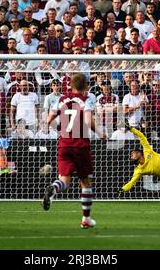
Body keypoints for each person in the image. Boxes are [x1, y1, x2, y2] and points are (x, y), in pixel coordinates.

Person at [42, 73, 107, 229]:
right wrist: (100, 133)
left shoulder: (61, 99)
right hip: (80, 145)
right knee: (86, 182)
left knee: (64, 181)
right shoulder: (87, 100)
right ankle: (86, 219)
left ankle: (53, 189)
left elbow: (48, 120)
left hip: (64, 144)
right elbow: (86, 120)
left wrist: (59, 127)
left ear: (70, 85)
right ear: (86, 86)